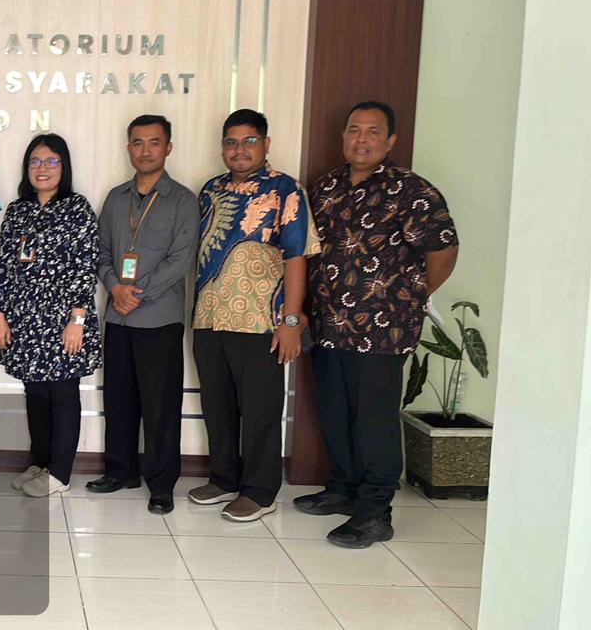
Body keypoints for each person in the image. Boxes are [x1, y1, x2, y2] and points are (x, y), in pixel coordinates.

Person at [297, 100, 459, 548]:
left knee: (373, 421)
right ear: (343, 136)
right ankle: (344, 488)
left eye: (372, 132)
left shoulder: (412, 191)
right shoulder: (327, 187)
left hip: (384, 329)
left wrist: (412, 294)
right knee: (335, 411)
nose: (361, 139)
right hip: (329, 325)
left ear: (390, 141)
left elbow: (443, 249)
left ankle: (374, 513)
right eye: (354, 130)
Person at [187, 109, 320, 522]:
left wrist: (291, 320)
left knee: (260, 409)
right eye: (231, 141)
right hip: (209, 316)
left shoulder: (285, 189)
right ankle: (224, 478)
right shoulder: (210, 190)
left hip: (261, 321)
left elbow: (296, 257)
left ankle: (260, 491)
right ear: (222, 147)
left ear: (266, 144)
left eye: (249, 141)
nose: (239, 149)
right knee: (218, 405)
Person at [90, 115, 200, 515]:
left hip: (159, 318)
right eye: (138, 142)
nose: (145, 150)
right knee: (118, 398)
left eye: (154, 142)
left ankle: (162, 483)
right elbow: (101, 251)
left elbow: (182, 259)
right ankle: (120, 471)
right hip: (118, 316)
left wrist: (137, 293)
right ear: (128, 148)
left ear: (168, 147)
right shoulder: (116, 198)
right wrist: (114, 287)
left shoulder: (183, 200)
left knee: (160, 404)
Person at [0, 134, 101, 497]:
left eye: (51, 161)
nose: (43, 169)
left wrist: (77, 321)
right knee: (35, 392)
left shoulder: (77, 208)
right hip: (25, 320)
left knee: (63, 393)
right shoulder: (17, 211)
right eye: (35, 161)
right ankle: (39, 462)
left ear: (63, 167)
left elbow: (86, 268)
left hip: (65, 319)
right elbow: (3, 266)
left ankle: (59, 473)